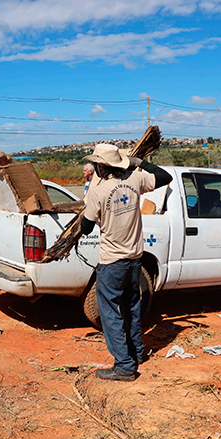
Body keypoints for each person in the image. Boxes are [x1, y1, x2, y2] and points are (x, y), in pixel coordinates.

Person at [80, 143, 172, 382]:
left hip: (112, 263)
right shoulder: (135, 180)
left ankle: (124, 365)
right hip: (134, 261)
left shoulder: (98, 192)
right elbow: (165, 176)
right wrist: (137, 162)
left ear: (101, 166)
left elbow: (87, 226)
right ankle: (137, 352)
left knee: (110, 314)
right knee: (132, 308)